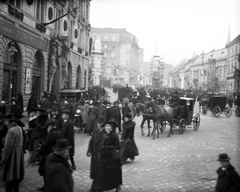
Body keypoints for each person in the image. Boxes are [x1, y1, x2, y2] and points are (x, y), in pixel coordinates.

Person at [91, 120, 122, 192]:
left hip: (112, 159)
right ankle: (98, 187)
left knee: (114, 173)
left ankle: (116, 185)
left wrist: (110, 148)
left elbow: (118, 146)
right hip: (103, 157)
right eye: (106, 126)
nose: (107, 128)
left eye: (108, 126)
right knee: (101, 172)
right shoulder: (104, 135)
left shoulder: (114, 135)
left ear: (112, 127)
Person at [0, 113, 25, 192]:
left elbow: (8, 147)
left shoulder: (10, 131)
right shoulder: (19, 128)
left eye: (5, 121)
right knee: (15, 178)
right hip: (18, 155)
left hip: (11, 156)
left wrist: (3, 159)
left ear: (8, 121)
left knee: (9, 178)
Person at [37, 118, 63, 191]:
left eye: (47, 127)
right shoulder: (59, 132)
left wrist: (40, 149)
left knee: (46, 173)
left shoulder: (51, 133)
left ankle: (47, 187)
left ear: (50, 126)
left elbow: (46, 145)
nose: (47, 129)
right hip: (57, 156)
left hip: (49, 156)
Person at [87, 117, 106, 192]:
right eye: (98, 123)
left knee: (100, 172)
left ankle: (96, 187)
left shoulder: (105, 132)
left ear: (103, 124)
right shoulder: (96, 131)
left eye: (100, 123)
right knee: (96, 171)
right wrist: (89, 150)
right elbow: (91, 141)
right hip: (95, 155)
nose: (98, 125)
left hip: (101, 155)